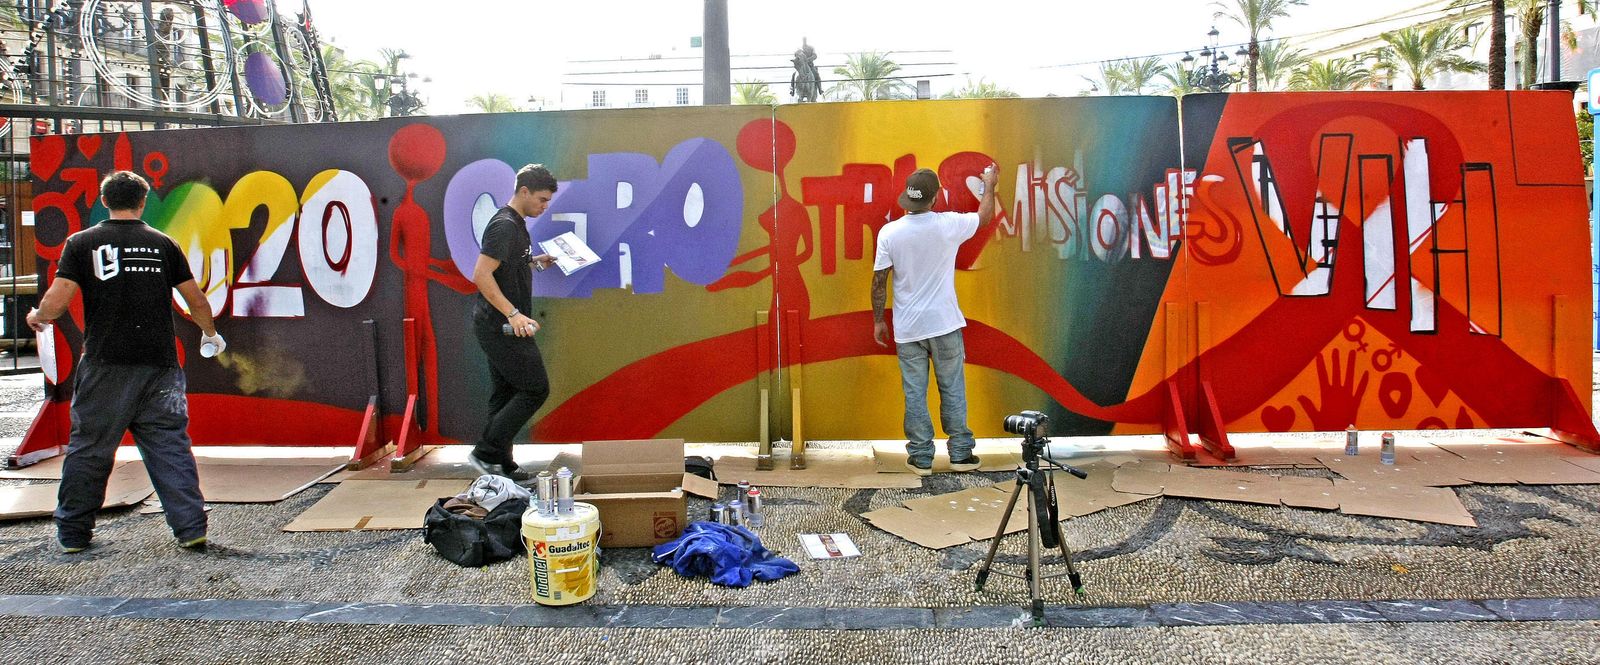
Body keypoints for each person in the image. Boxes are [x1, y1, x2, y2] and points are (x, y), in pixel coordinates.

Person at [27, 170, 225, 553]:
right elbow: (196, 300)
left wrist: (39, 318)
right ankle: (190, 529)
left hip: (106, 364)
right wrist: (209, 334)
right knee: (169, 446)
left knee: (91, 447)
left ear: (105, 201)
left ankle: (73, 535)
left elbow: (57, 298)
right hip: (160, 366)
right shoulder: (163, 244)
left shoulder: (82, 243)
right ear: (142, 201)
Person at [871, 165, 999, 476]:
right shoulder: (948, 225)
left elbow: (879, 281)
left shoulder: (889, 232)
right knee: (952, 387)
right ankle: (960, 454)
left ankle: (921, 458)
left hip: (908, 328)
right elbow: (984, 217)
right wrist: (990, 185)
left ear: (908, 199)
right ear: (935, 197)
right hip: (944, 324)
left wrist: (878, 321)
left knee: (915, 392)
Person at [469, 164, 559, 481]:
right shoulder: (504, 226)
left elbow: (507, 266)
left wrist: (534, 262)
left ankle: (500, 466)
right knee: (535, 388)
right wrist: (513, 313)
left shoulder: (518, 224)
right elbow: (481, 275)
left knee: (505, 394)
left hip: (502, 324)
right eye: (542, 199)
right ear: (524, 192)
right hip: (501, 326)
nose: (545, 206)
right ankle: (485, 452)